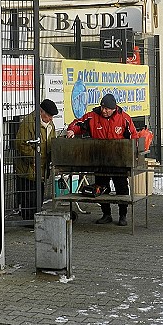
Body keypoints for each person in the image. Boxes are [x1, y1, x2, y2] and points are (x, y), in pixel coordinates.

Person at [66, 93, 138, 226]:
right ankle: (106, 214)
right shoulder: (92, 117)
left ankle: (123, 215)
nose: (104, 111)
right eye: (102, 108)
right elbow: (77, 123)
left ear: (114, 108)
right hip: (100, 160)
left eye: (107, 109)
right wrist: (72, 130)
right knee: (101, 188)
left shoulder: (124, 118)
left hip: (119, 161)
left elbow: (133, 136)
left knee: (122, 188)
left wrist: (133, 154)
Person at [14, 99, 59, 221]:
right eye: (48, 115)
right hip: (29, 168)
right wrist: (35, 156)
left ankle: (35, 217)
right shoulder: (28, 123)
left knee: (38, 195)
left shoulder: (50, 125)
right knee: (29, 196)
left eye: (52, 116)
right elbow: (20, 144)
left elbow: (51, 143)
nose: (50, 118)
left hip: (42, 168)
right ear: (41, 112)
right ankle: (28, 219)